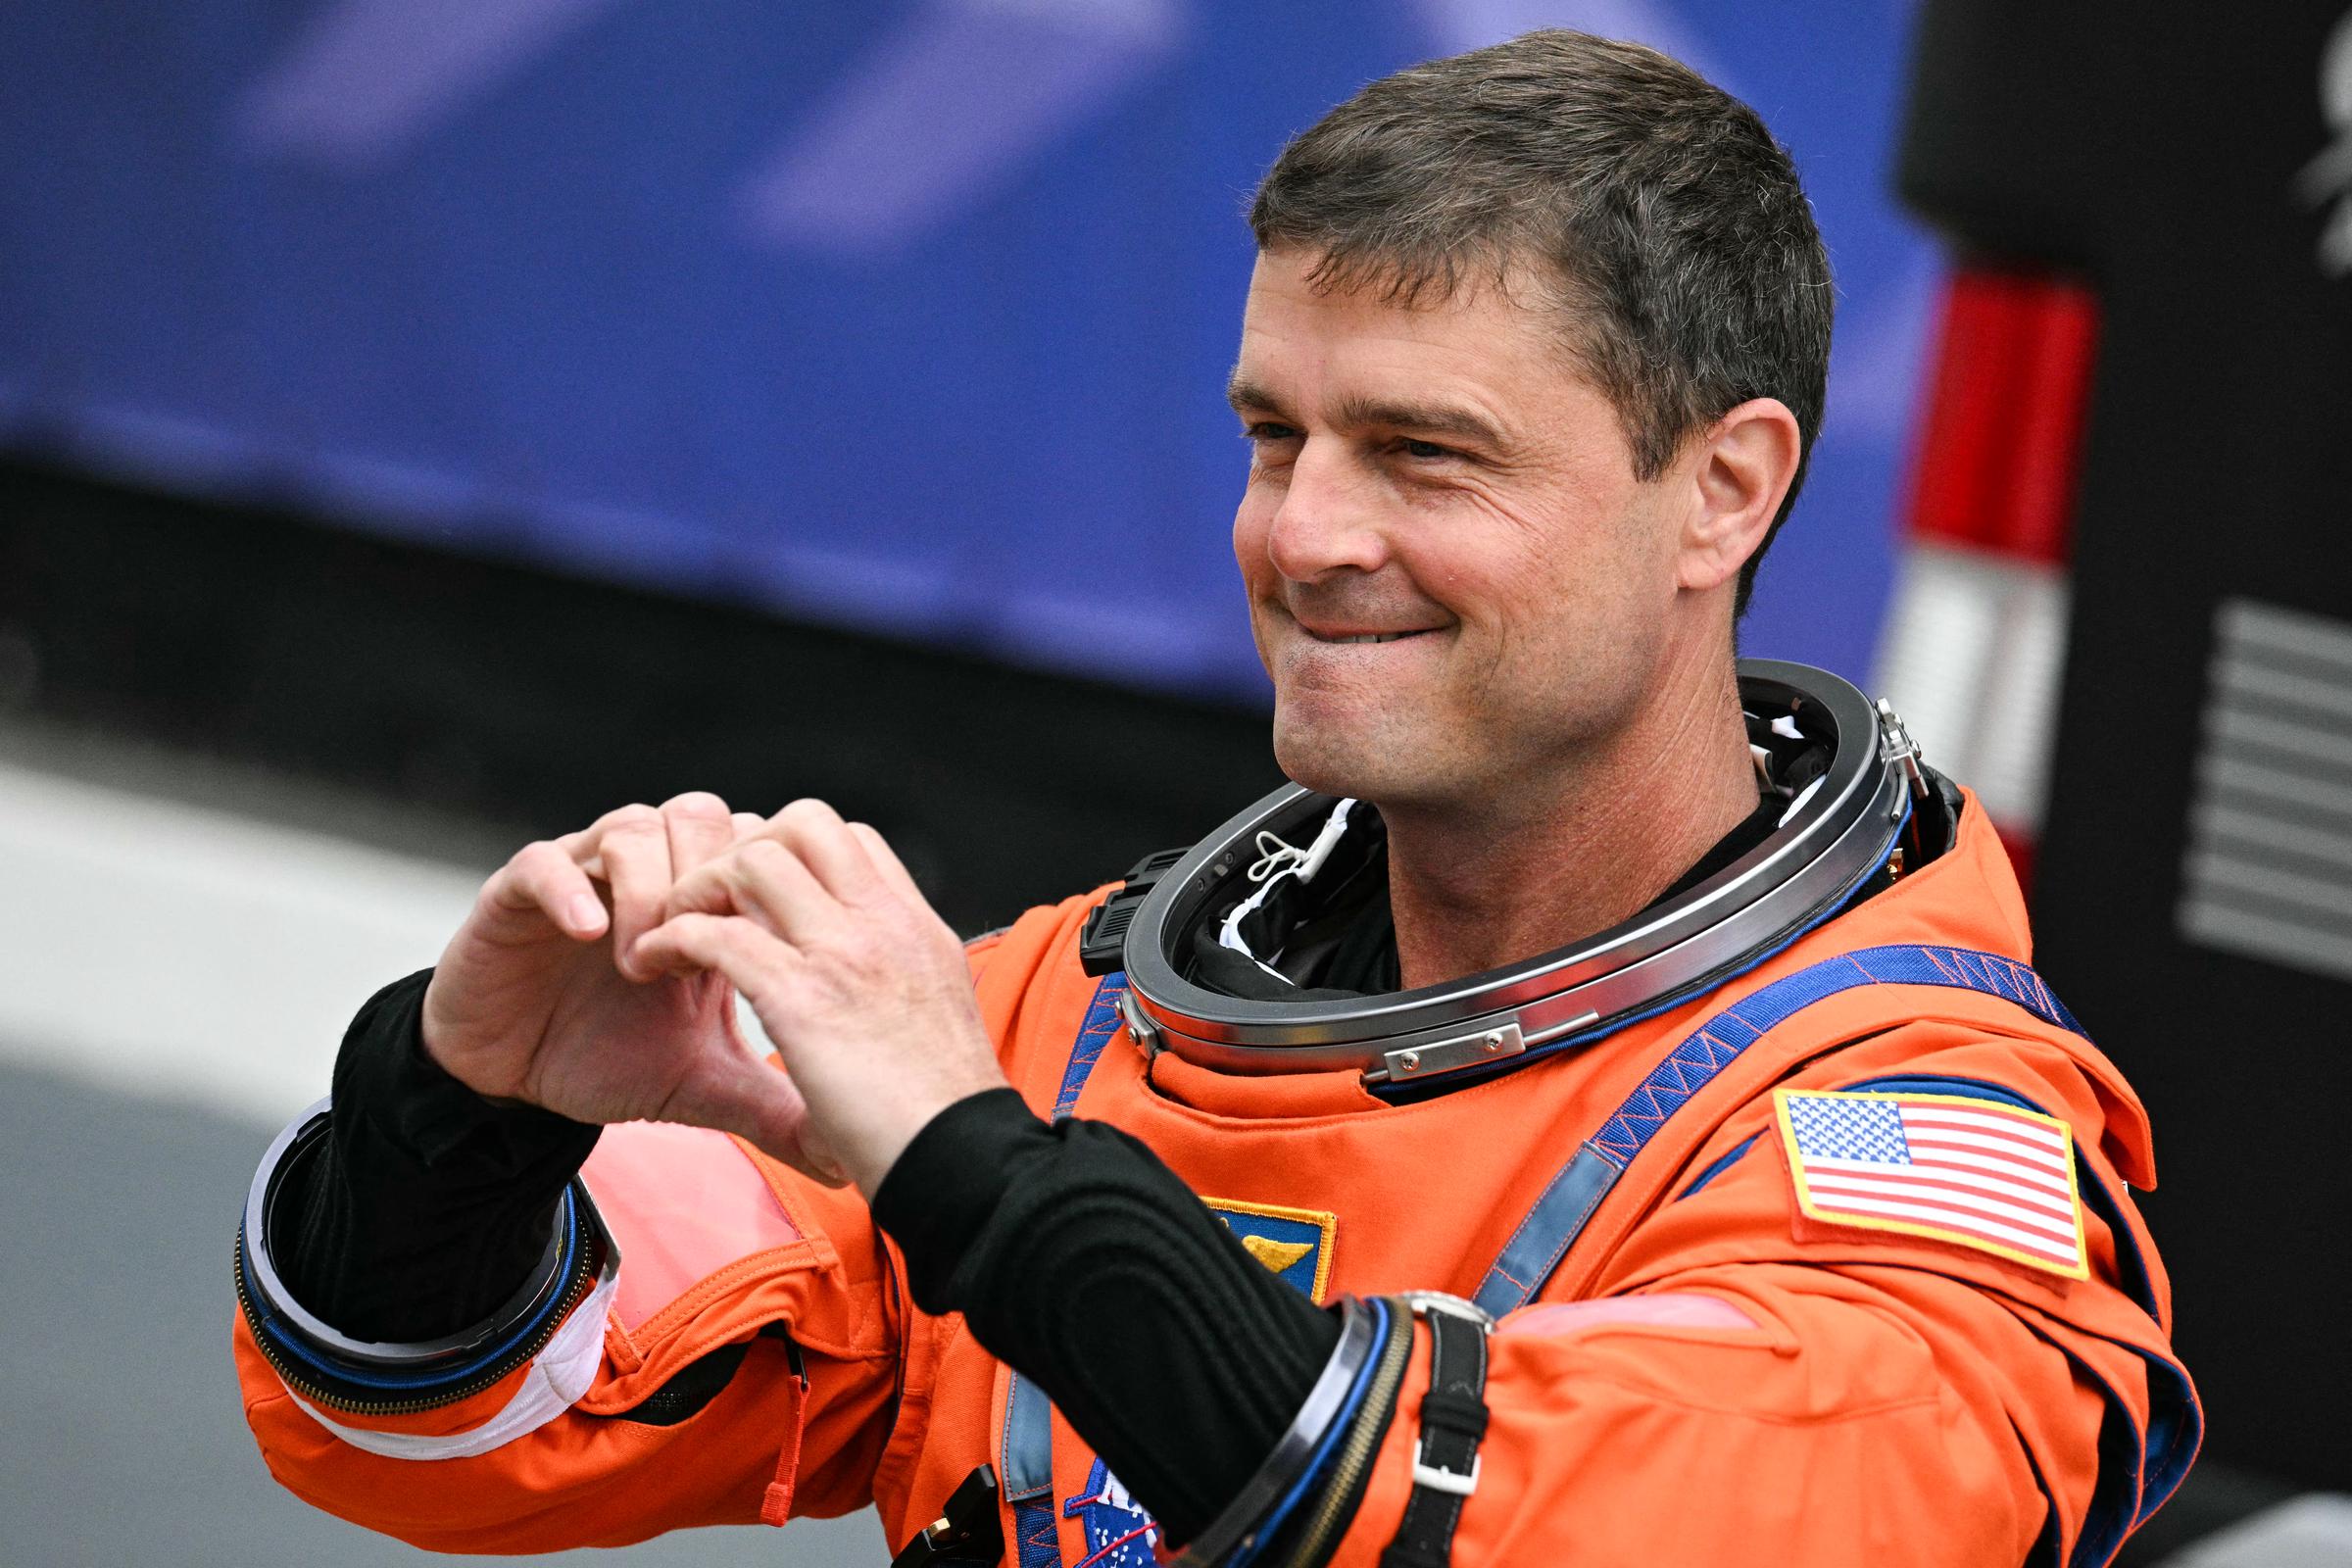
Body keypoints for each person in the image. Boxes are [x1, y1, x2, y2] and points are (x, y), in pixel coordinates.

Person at [231, 30, 2196, 1568]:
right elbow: (453, 1427)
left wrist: (995, 1187)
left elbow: (1619, 1513)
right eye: (1279, 433)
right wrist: (460, 1115)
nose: (1306, 534)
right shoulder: (1065, 1027)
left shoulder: (1917, 1145)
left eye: (1427, 453)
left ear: (1728, 489)